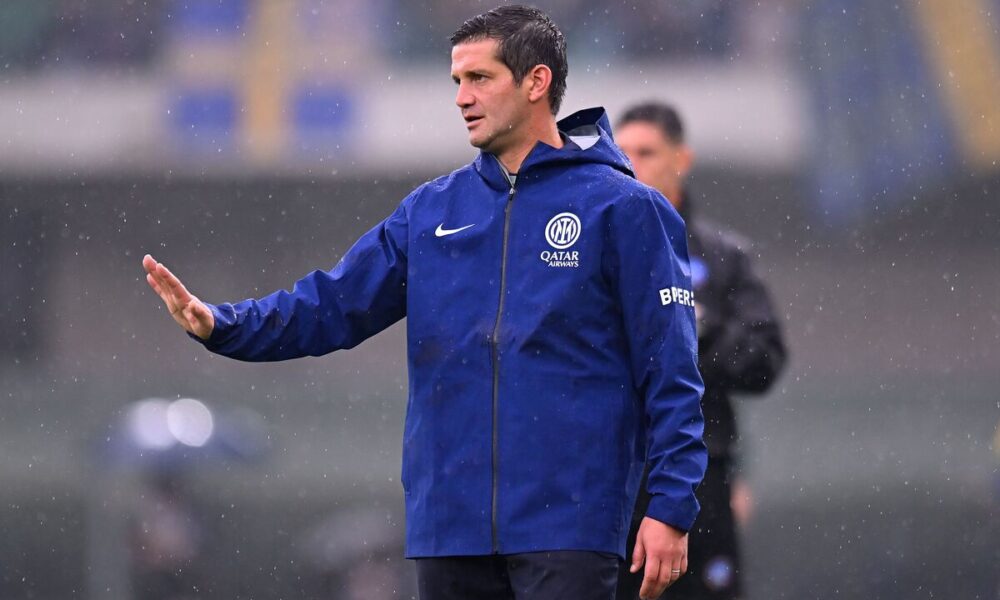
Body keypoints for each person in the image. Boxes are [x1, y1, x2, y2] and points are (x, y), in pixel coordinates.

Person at [142, 7, 706, 600]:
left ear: (536, 82)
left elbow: (670, 370)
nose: (462, 97)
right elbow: (331, 305)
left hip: (569, 521)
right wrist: (220, 324)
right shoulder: (431, 212)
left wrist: (670, 506)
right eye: (456, 81)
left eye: (480, 78)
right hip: (449, 527)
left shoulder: (624, 209)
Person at [614, 102, 788, 600]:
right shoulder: (589, 250)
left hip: (699, 477)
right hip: (610, 478)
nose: (632, 165)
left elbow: (765, 360)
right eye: (622, 153)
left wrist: (696, 331)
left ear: (681, 159)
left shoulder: (721, 255)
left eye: (646, 152)